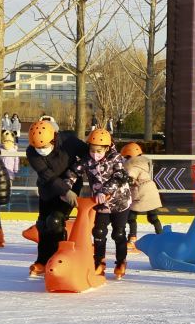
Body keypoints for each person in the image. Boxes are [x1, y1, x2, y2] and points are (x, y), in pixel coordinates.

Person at [71, 128, 133, 279]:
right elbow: (74, 172)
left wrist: (104, 191)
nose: (95, 154)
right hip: (101, 204)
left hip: (120, 202)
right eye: (92, 150)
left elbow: (119, 176)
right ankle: (99, 262)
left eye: (99, 151)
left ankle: (121, 262)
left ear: (107, 147)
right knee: (98, 233)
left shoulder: (115, 157)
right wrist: (65, 189)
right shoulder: (87, 159)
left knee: (118, 234)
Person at [24, 119, 76, 277]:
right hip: (48, 190)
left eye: (44, 147)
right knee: (43, 225)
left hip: (70, 188)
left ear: (53, 139)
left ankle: (59, 258)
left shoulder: (69, 142)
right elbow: (47, 175)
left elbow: (91, 153)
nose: (40, 150)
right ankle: (42, 260)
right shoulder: (31, 152)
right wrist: (64, 190)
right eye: (37, 147)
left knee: (55, 221)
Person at [120, 142, 164, 248]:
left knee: (131, 217)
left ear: (129, 156)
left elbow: (130, 177)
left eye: (126, 157)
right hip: (151, 191)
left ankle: (132, 238)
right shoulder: (144, 163)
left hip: (141, 193)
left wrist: (124, 180)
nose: (125, 159)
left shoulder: (132, 165)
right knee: (153, 217)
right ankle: (162, 237)